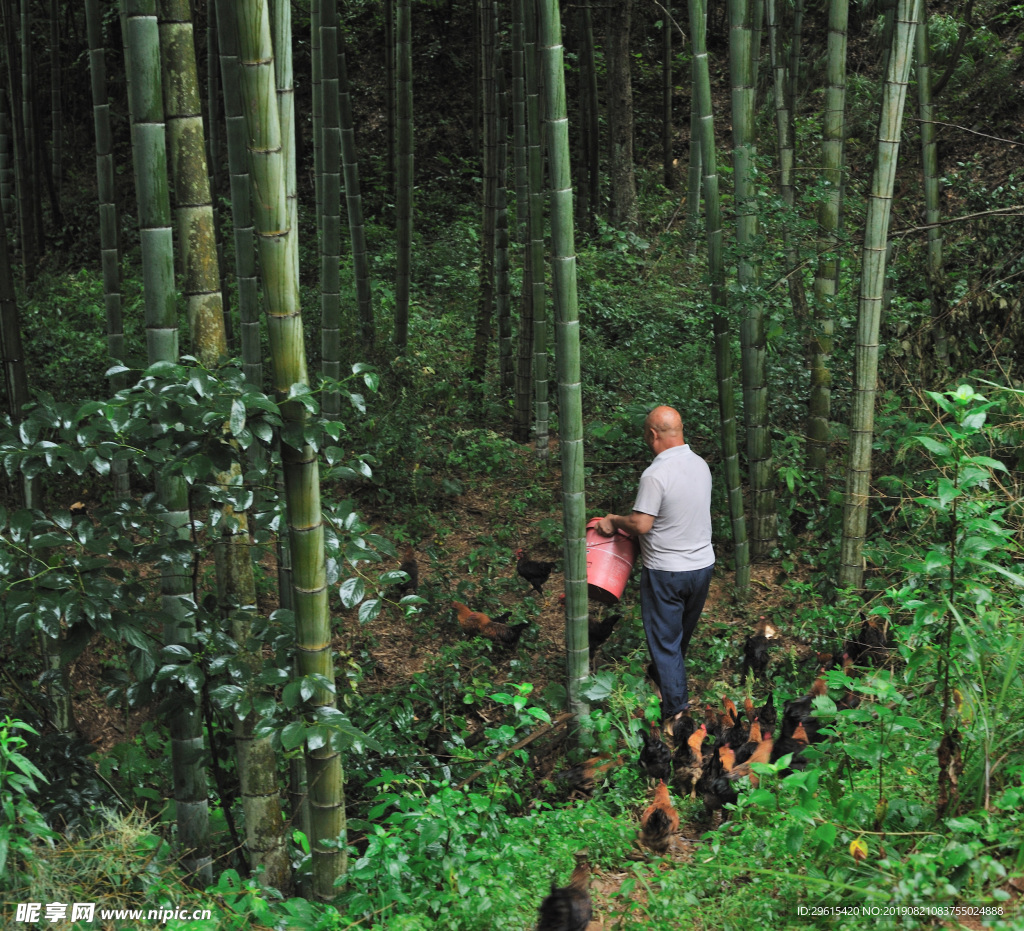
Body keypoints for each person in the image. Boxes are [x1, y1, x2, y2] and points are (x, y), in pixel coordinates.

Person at [595, 406, 714, 726]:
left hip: (667, 572)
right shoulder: (700, 465)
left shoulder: (655, 474)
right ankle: (661, 678)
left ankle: (677, 716)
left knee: (665, 644)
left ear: (652, 435)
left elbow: (641, 523)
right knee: (677, 640)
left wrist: (613, 520)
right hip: (702, 567)